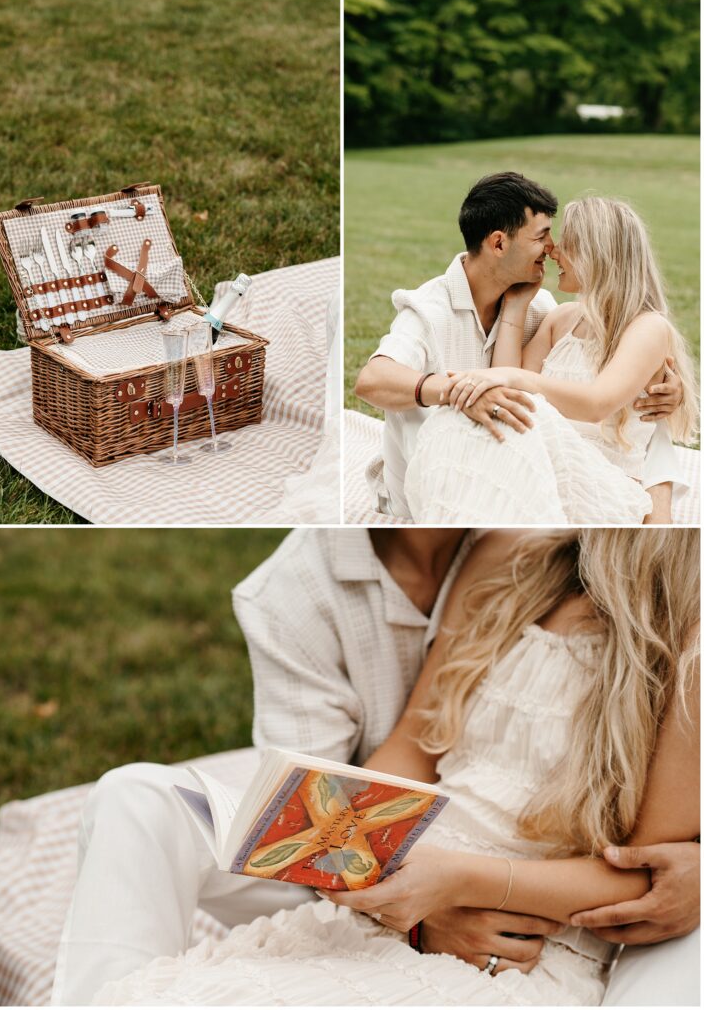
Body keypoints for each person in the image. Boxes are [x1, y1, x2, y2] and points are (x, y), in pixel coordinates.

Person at [50, 529, 700, 1003]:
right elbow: (411, 750)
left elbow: (643, 880)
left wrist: (457, 882)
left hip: (519, 949)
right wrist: (359, 846)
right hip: (395, 891)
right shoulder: (513, 552)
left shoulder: (685, 634)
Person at [355, 173, 685, 522]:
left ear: (597, 255)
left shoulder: (564, 312)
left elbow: (594, 403)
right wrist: (462, 386)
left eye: (560, 241)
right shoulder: (435, 311)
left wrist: (504, 378)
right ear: (498, 244)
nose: (552, 250)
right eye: (543, 238)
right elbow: (371, 380)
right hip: (450, 475)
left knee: (466, 415)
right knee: (456, 416)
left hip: (578, 477)